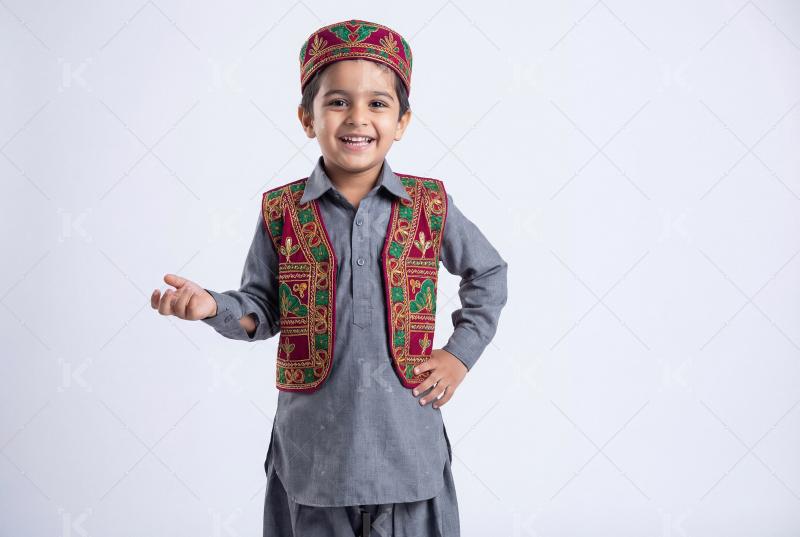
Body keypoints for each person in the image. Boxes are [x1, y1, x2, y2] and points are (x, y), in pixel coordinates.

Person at [151, 19, 508, 537]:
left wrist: (459, 354)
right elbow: (261, 305)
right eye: (338, 101)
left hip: (407, 453)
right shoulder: (281, 211)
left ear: (403, 120)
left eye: (378, 104)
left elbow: (489, 272)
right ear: (307, 117)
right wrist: (212, 306)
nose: (357, 118)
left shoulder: (431, 204)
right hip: (313, 460)